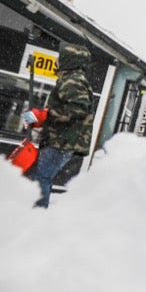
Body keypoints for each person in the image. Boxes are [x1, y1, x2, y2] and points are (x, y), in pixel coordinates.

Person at [25, 41, 94, 209]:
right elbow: (66, 109)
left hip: (63, 141)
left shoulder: (73, 81)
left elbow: (77, 110)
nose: (57, 60)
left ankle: (36, 213)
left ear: (69, 60)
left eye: (61, 57)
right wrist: (42, 119)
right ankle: (35, 210)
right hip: (61, 140)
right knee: (41, 176)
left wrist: (45, 115)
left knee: (41, 177)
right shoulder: (71, 80)